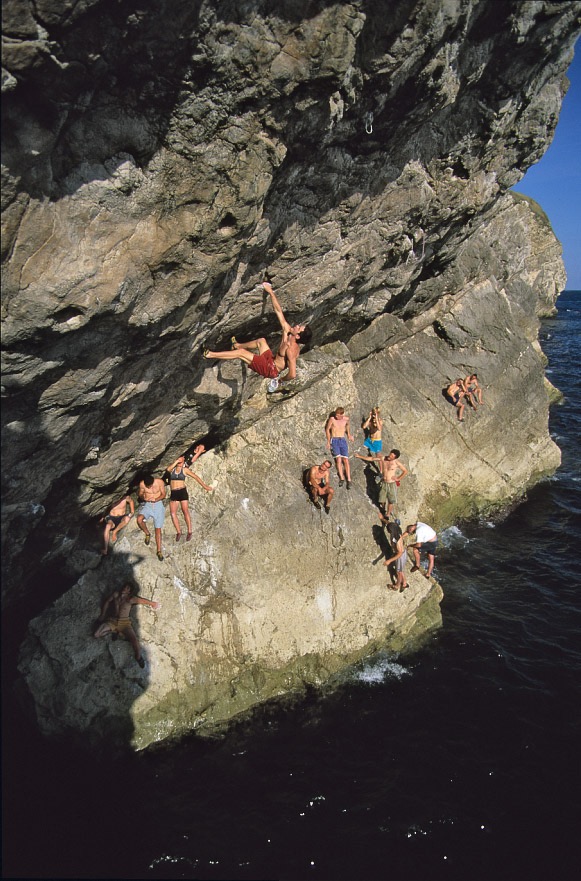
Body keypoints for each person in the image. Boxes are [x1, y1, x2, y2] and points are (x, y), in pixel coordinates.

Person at [204, 280, 312, 392]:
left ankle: (210, 354)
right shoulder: (288, 331)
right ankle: (237, 345)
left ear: (298, 336)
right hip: (271, 360)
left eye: (299, 328)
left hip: (271, 369)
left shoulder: (291, 350)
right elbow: (279, 311)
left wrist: (280, 380)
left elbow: (293, 374)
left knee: (242, 354)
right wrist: (270, 292)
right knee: (261, 341)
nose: (297, 326)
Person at [94, 582, 160, 668]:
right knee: (96, 634)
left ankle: (138, 657)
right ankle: (113, 631)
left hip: (124, 623)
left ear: (129, 592)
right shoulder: (116, 595)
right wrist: (102, 615)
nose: (124, 589)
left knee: (134, 641)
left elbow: (141, 600)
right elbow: (107, 602)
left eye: (127, 588)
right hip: (113, 621)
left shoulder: (130, 599)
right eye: (124, 587)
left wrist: (153, 604)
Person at [164, 445, 213, 542]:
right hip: (174, 492)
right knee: (173, 513)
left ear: (183, 459)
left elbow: (196, 477)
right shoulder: (173, 469)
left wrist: (205, 486)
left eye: (181, 458)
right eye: (179, 458)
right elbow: (168, 469)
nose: (179, 459)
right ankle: (179, 532)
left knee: (185, 510)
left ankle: (189, 530)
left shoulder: (185, 469)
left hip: (182, 491)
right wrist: (176, 461)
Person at [355, 448, 408, 518]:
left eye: (392, 456)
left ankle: (388, 514)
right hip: (384, 482)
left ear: (395, 458)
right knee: (381, 499)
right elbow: (372, 459)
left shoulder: (396, 463)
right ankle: (383, 509)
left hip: (391, 483)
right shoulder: (383, 458)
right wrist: (360, 456)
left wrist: (398, 478)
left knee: (391, 500)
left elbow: (405, 471)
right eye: (390, 454)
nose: (390, 457)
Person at [136, 473, 167, 561]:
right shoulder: (142, 484)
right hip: (148, 505)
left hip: (158, 504)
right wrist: (144, 497)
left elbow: (163, 494)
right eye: (147, 487)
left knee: (158, 529)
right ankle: (147, 533)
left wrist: (156, 499)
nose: (149, 488)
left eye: (150, 486)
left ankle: (159, 551)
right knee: (139, 519)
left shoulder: (159, 482)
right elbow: (140, 494)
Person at [325, 407, 354, 488]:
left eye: (338, 415)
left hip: (342, 439)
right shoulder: (332, 419)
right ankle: (341, 478)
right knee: (338, 459)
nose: (336, 417)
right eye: (336, 415)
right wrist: (328, 441)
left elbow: (347, 426)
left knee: (346, 460)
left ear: (342, 415)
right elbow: (327, 429)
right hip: (335, 439)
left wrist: (349, 434)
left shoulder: (346, 419)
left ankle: (349, 479)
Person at [379, 514, 409, 591]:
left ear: (391, 531)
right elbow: (388, 523)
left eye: (389, 530)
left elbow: (400, 553)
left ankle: (397, 586)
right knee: (400, 569)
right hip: (401, 552)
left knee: (398, 572)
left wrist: (389, 560)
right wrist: (382, 519)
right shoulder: (395, 528)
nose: (388, 531)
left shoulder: (397, 539)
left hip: (400, 555)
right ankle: (404, 583)